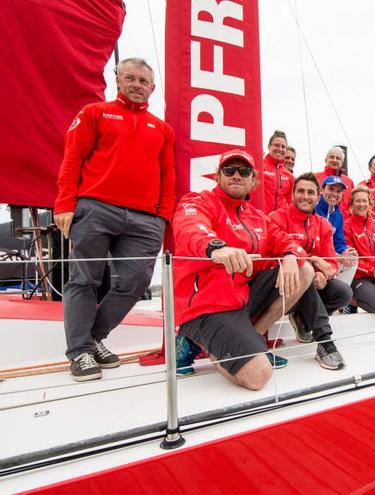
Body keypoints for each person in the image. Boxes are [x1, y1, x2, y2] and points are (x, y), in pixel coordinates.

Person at [173, 150, 344, 389]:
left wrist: (291, 256)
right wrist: (215, 247)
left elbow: (286, 241)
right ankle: (198, 340)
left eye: (243, 172)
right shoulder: (198, 201)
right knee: (258, 376)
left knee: (303, 270)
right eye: (229, 170)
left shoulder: (256, 216)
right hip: (208, 305)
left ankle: (252, 343)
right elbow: (189, 226)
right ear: (218, 177)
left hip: (242, 298)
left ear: (253, 180)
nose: (236, 176)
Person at [53, 57, 175, 382]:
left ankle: (92, 338)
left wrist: (163, 219)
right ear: (118, 81)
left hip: (145, 219)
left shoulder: (161, 129)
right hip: (95, 208)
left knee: (135, 283)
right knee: (84, 280)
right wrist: (65, 203)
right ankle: (79, 352)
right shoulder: (94, 113)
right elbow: (72, 158)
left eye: (143, 81)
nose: (137, 85)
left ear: (152, 87)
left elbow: (167, 175)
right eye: (130, 78)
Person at [270, 173, 354, 327]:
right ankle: (325, 341)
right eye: (301, 191)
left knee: (344, 292)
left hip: (313, 280)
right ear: (293, 194)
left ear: (317, 195)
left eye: (310, 193)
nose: (305, 196)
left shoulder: (325, 224)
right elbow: (272, 252)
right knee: (305, 276)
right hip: (284, 282)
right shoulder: (277, 217)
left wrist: (323, 274)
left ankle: (302, 321)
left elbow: (331, 262)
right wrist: (311, 262)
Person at [316, 176, 358, 285]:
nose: (335, 193)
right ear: (321, 190)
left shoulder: (338, 214)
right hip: (314, 255)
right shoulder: (313, 208)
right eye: (331, 189)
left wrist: (344, 251)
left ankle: (338, 294)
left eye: (338, 191)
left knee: (352, 258)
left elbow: (339, 241)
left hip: (329, 254)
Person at [256, 130, 294, 212]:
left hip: (280, 222)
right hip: (260, 218)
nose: (280, 149)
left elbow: (290, 202)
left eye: (283, 147)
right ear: (269, 146)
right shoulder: (258, 166)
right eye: (277, 145)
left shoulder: (288, 175)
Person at [315, 146, 355, 212]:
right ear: (326, 160)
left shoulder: (349, 181)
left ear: (342, 163)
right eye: (332, 157)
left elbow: (352, 205)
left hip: (343, 221)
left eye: (338, 158)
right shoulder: (315, 177)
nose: (335, 160)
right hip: (320, 220)